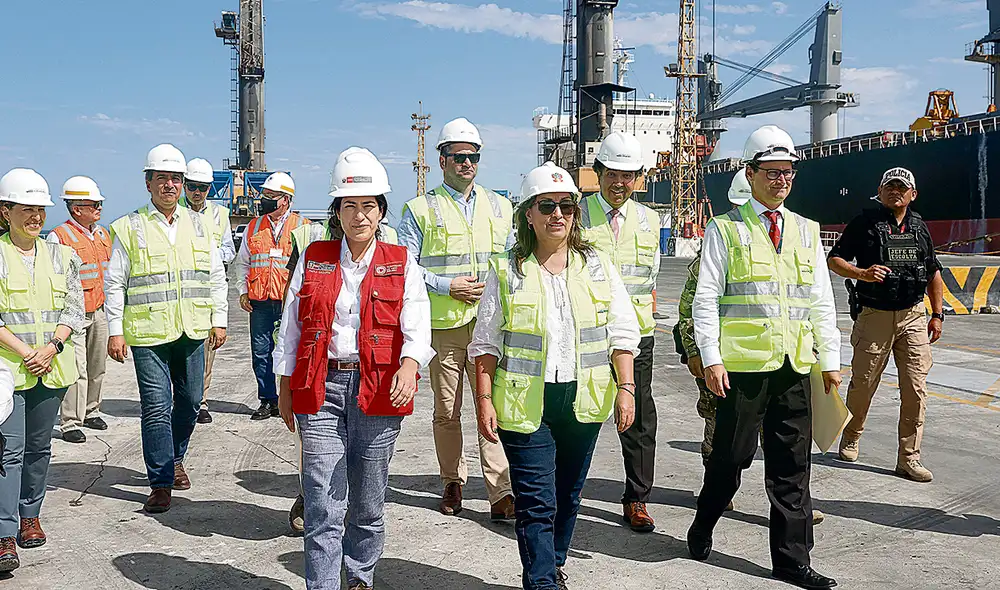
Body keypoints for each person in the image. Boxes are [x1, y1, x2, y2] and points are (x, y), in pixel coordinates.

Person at [470, 162, 639, 590]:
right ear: (529, 213)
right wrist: (484, 400)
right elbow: (485, 343)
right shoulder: (506, 270)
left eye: (567, 205)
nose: (557, 214)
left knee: (568, 496)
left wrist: (627, 389)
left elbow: (621, 332)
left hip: (583, 401)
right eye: (547, 205)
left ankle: (553, 563)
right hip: (526, 402)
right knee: (536, 501)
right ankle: (542, 581)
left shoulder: (597, 265)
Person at [273, 148, 433, 590]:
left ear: (381, 210)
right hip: (320, 389)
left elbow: (417, 326)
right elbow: (290, 327)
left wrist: (408, 366)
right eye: (349, 205)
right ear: (336, 212)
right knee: (323, 502)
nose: (359, 215)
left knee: (367, 501)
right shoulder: (314, 256)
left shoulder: (401, 262)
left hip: (378, 390)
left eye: (368, 205)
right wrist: (284, 387)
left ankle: (359, 577)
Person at [689, 126, 841, 590]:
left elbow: (820, 299)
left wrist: (830, 356)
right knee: (732, 458)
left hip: (794, 366)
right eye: (772, 172)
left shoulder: (807, 230)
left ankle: (791, 562)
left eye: (788, 172)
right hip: (743, 369)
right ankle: (705, 520)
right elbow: (706, 298)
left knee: (792, 468)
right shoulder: (725, 229)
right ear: (750, 173)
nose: (781, 180)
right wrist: (711, 357)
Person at [398, 117, 516, 519]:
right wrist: (448, 285)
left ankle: (500, 491)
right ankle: (452, 481)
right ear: (442, 160)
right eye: (459, 157)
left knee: (492, 405)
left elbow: (514, 261)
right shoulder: (419, 209)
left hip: (489, 326)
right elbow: (406, 265)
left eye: (474, 157)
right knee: (447, 411)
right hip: (444, 327)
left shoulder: (501, 207)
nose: (467, 163)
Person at [105, 144, 229, 514]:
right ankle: (160, 481)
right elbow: (115, 282)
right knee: (156, 407)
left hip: (192, 329)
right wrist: (115, 329)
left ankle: (176, 456)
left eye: (176, 179)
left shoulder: (202, 225)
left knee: (190, 402)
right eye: (163, 179)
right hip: (148, 334)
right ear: (148, 183)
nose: (170, 186)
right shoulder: (130, 227)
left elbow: (216, 276)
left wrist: (218, 319)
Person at [828, 167, 944, 483]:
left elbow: (933, 272)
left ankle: (909, 458)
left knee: (915, 389)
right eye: (889, 186)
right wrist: (862, 274)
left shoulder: (920, 228)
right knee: (863, 384)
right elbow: (834, 260)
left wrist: (937, 314)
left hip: (913, 317)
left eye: (901, 187)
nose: (895, 191)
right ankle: (852, 433)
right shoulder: (864, 224)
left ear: (913, 194)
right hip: (874, 315)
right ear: (880, 192)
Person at [0, 169, 84, 572]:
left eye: (40, 210)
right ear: (6, 211)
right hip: (7, 370)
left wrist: (51, 347)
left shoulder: (63, 255)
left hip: (50, 367)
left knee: (38, 449)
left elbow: (73, 309)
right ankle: (4, 533)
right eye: (27, 209)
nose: (36, 217)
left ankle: (30, 514)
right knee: (8, 451)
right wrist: (25, 351)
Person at [578, 131, 660, 532]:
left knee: (640, 418)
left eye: (628, 175)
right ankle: (566, 493)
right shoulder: (574, 215)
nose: (620, 183)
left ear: (639, 178)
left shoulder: (651, 220)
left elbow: (651, 279)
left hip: (638, 337)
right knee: (578, 416)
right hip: (587, 337)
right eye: (612, 173)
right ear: (598, 173)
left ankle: (638, 498)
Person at [234, 172, 309, 421]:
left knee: (294, 350)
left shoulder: (303, 227)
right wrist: (243, 291)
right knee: (261, 351)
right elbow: (242, 263)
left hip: (291, 301)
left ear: (285, 200)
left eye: (270, 196)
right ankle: (268, 400)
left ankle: (294, 398)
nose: (264, 200)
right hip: (260, 302)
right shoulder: (254, 227)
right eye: (264, 195)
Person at [47, 176, 112, 444]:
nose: (99, 208)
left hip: (99, 308)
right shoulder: (59, 237)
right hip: (73, 314)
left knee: (97, 364)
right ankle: (71, 421)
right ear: (76, 208)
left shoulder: (102, 234)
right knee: (77, 367)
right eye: (94, 204)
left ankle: (91, 410)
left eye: (99, 203)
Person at [180, 158, 237, 425]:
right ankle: (177, 401)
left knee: (206, 352)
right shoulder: (173, 212)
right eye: (192, 186)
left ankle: (200, 402)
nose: (197, 192)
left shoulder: (219, 215)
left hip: (208, 289)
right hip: (179, 293)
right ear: (184, 186)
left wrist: (209, 254)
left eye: (203, 187)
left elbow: (229, 249)